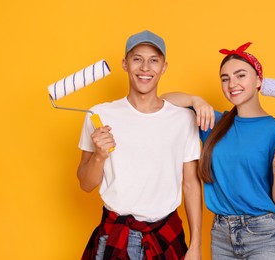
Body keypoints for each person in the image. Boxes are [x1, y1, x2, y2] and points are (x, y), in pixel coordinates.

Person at [162, 42, 275, 259]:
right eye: (225, 78)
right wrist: (196, 100)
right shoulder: (213, 122)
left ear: (259, 81)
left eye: (240, 75)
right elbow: (163, 101)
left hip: (265, 235)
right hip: (222, 234)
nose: (232, 83)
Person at [77, 30, 202, 260]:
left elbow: (191, 184)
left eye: (153, 60)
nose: (145, 67)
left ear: (164, 67)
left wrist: (195, 246)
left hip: (167, 234)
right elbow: (85, 184)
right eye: (137, 59)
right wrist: (99, 157)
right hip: (116, 233)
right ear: (125, 64)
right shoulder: (99, 115)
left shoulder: (184, 119)